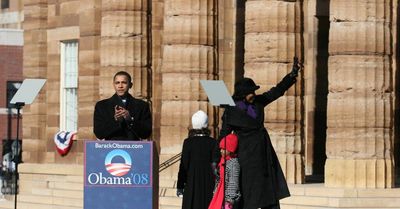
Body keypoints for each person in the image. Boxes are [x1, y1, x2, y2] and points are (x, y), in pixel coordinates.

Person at [216, 58, 302, 209]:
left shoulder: (258, 102)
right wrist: (218, 158)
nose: (254, 94)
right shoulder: (231, 110)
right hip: (245, 156)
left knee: (269, 190)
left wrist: (291, 76)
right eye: (251, 92)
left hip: (263, 153)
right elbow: (223, 135)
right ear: (243, 94)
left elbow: (276, 92)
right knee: (249, 193)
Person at [93, 71, 152, 140]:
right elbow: (99, 133)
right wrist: (116, 121)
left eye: (124, 82)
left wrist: (130, 120)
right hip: (111, 148)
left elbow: (146, 133)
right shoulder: (102, 106)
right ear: (113, 85)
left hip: (134, 148)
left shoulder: (142, 106)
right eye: (117, 83)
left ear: (130, 85)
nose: (120, 86)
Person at [177, 110, 217, 209]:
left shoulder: (188, 142)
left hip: (192, 183)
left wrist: (180, 185)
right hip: (208, 183)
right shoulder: (213, 142)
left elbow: (183, 166)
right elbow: (215, 164)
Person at [209, 133, 241, 209]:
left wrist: (229, 200)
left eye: (224, 149)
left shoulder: (233, 163)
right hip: (220, 195)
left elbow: (233, 182)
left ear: (230, 149)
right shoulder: (222, 161)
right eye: (220, 149)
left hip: (226, 199)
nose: (221, 151)